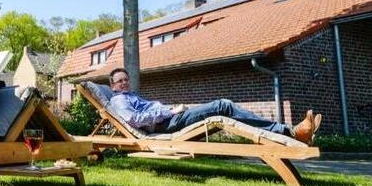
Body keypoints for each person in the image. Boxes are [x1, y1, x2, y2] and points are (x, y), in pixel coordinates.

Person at [106, 68, 320, 144]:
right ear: (112, 86)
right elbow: (134, 120)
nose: (124, 83)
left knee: (223, 106)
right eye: (120, 81)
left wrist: (170, 111)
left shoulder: (131, 95)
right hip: (165, 124)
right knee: (222, 106)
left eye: (126, 79)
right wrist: (168, 111)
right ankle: (291, 132)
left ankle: (290, 133)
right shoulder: (119, 100)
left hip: (170, 119)